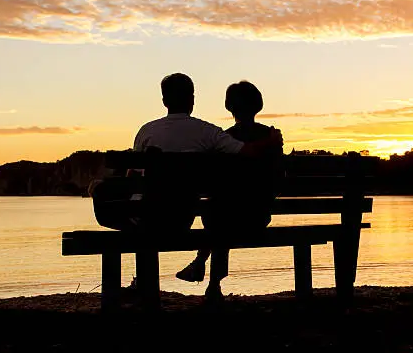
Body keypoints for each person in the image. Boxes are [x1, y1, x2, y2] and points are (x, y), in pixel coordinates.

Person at [92, 74, 283, 295]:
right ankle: (209, 280)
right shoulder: (213, 134)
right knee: (219, 211)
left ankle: (196, 276)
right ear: (192, 99)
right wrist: (270, 142)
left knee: (218, 214)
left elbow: (133, 176)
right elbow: (271, 173)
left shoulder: (148, 131)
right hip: (202, 216)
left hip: (159, 216)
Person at [175, 81, 283, 301]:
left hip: (223, 216)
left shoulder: (222, 139)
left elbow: (210, 182)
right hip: (258, 215)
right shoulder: (270, 137)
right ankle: (207, 275)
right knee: (224, 215)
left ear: (229, 107)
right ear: (258, 105)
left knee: (219, 215)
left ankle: (208, 274)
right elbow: (279, 179)